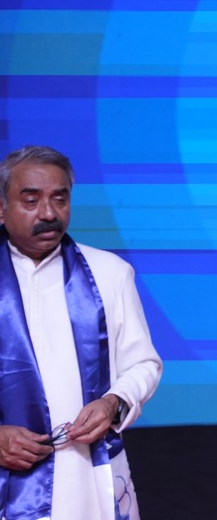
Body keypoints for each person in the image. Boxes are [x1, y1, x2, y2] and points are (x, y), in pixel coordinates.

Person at [0, 145, 162, 520]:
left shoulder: (109, 272)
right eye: (31, 200)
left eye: (59, 199)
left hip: (86, 474)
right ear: (2, 207)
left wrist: (113, 402)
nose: (48, 213)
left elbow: (144, 364)